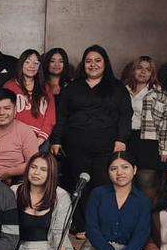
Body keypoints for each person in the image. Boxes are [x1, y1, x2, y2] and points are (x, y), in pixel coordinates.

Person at [48, 45, 130, 232]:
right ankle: (82, 226)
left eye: (97, 60)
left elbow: (126, 115)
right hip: (76, 146)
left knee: (102, 186)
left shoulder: (117, 87)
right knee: (78, 185)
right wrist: (57, 140)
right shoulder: (73, 87)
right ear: (83, 64)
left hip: (106, 147)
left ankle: (99, 226)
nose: (93, 64)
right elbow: (62, 116)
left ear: (105, 63)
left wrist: (121, 139)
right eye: (88, 61)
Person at [121, 56, 167, 198]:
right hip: (126, 139)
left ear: (152, 73)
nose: (143, 72)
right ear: (133, 70)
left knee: (146, 180)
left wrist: (165, 149)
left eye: (148, 69)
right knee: (124, 179)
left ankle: (148, 211)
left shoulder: (161, 94)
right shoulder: (122, 91)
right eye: (139, 68)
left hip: (149, 141)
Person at [3, 49, 55, 138]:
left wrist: (40, 139)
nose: (32, 66)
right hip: (15, 137)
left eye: (36, 63)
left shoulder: (46, 88)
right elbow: (4, 113)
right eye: (27, 62)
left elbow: (51, 116)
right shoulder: (9, 86)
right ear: (21, 64)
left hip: (40, 138)